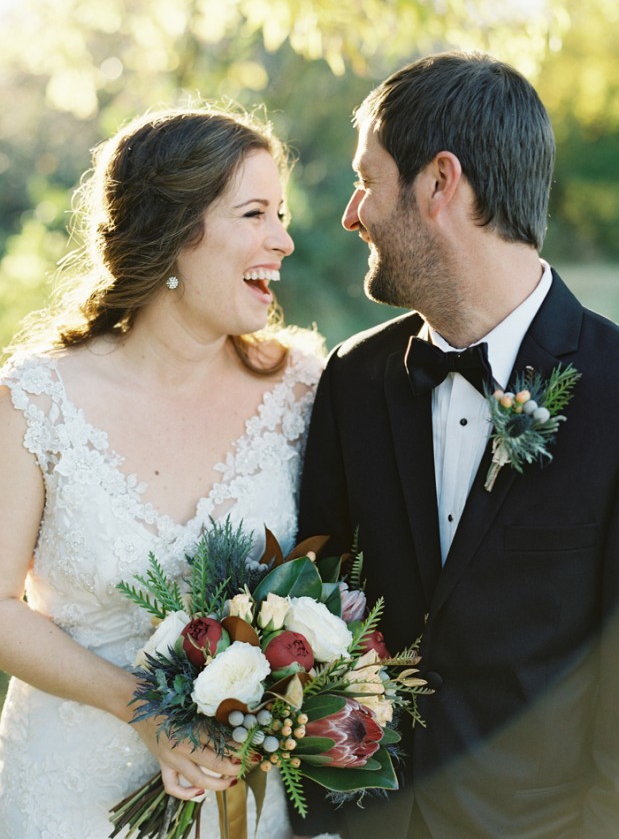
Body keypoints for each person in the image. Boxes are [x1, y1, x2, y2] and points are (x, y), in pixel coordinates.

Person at [293, 51, 619, 838]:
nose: (351, 213)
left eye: (365, 179)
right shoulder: (354, 378)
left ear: (440, 183)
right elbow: (316, 602)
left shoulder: (615, 387)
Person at [0, 104, 334, 839]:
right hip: (66, 796)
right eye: (254, 214)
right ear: (176, 230)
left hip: (242, 798)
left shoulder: (303, 389)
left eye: (279, 214)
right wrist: (143, 712)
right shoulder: (38, 398)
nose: (281, 240)